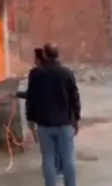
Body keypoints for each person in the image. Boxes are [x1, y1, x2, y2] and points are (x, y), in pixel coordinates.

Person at [25, 43, 81, 186]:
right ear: (57, 54)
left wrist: (30, 118)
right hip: (64, 123)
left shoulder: (36, 74)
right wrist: (77, 118)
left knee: (48, 159)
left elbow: (31, 97)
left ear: (44, 54)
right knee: (67, 159)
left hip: (44, 124)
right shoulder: (66, 73)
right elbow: (74, 97)